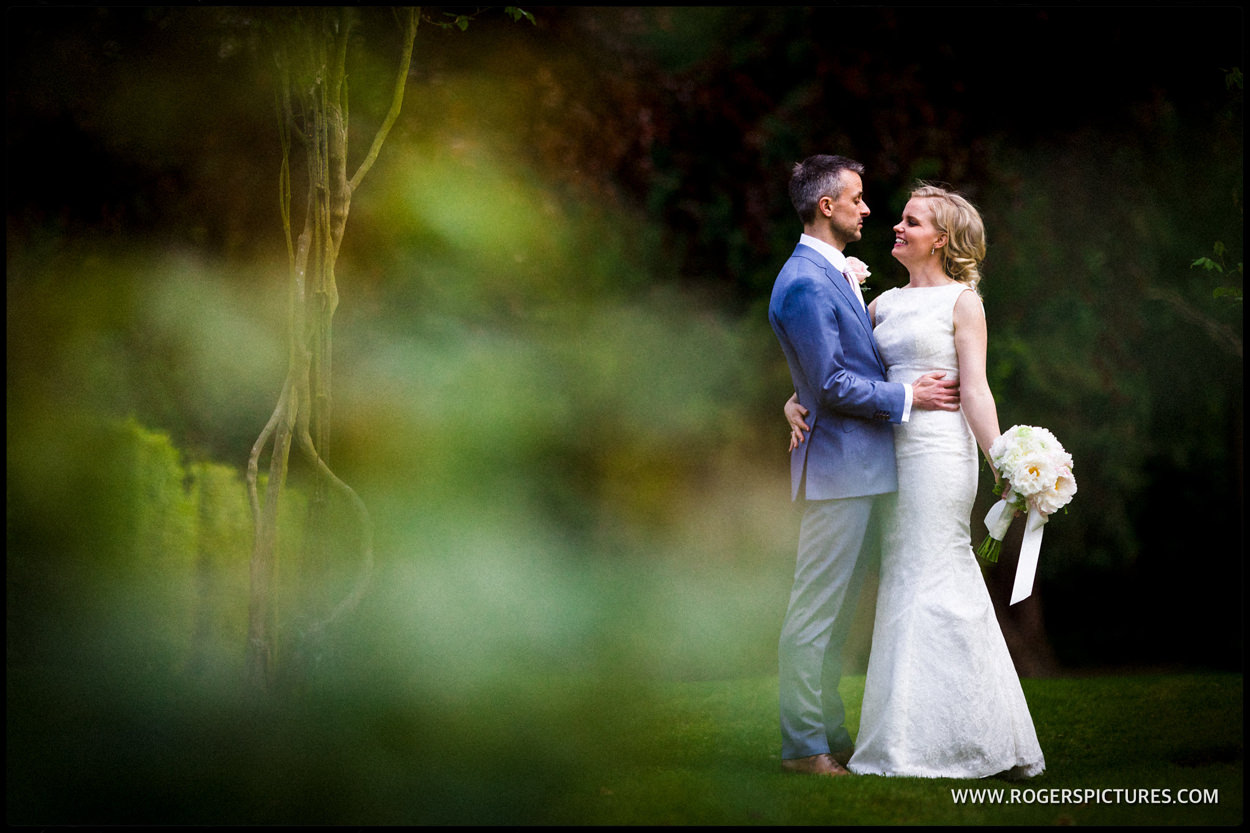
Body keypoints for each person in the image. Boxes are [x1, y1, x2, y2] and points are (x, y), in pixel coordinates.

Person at [785, 183, 1045, 779]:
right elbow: (834, 374)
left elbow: (974, 391)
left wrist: (1004, 460)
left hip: (939, 455)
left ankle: (975, 738)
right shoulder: (879, 306)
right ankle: (907, 738)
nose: (896, 227)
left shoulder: (964, 302)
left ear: (942, 239)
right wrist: (791, 404)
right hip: (885, 455)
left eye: (911, 221)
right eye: (900, 219)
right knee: (903, 581)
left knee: (940, 572)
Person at [767, 156, 961, 777]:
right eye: (857, 198)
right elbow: (828, 381)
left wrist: (797, 395)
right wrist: (909, 396)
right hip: (837, 470)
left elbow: (820, 374)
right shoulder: (804, 280)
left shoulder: (833, 275)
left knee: (837, 616)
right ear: (827, 206)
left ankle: (829, 736)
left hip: (861, 467)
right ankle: (803, 748)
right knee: (815, 612)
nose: (867, 209)